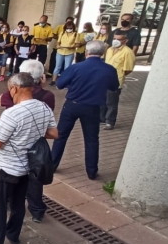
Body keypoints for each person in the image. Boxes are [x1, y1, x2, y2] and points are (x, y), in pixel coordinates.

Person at [0, 73, 58, 244]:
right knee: (19, 203)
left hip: (6, 168)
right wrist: (31, 133)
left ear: (14, 89)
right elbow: (54, 133)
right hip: (28, 168)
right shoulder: (44, 107)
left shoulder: (11, 113)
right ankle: (13, 234)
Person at [0, 60, 56, 223]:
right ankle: (37, 210)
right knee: (34, 178)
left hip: (14, 143)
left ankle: (9, 202)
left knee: (12, 176)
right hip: (36, 145)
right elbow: (52, 128)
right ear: (41, 77)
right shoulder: (47, 96)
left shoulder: (14, 93)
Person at [51, 41, 120, 180]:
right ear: (103, 53)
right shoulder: (109, 69)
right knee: (92, 139)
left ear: (86, 52)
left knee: (61, 136)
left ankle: (52, 165)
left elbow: (59, 84)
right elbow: (114, 87)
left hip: (72, 105)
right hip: (93, 108)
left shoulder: (76, 67)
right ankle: (92, 171)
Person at [100, 30, 136, 130]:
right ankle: (101, 118)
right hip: (104, 80)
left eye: (119, 39)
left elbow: (128, 69)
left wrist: (118, 76)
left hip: (116, 81)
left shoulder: (128, 52)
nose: (115, 41)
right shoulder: (110, 49)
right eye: (114, 39)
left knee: (111, 103)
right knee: (102, 101)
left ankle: (110, 122)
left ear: (125, 40)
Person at [49, 20, 78, 87]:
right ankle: (53, 81)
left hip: (69, 52)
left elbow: (77, 44)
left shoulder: (76, 34)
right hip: (60, 51)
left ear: (73, 28)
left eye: (70, 28)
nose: (69, 29)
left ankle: (65, 82)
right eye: (67, 28)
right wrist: (58, 46)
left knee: (67, 68)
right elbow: (58, 42)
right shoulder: (62, 33)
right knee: (57, 67)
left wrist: (70, 47)